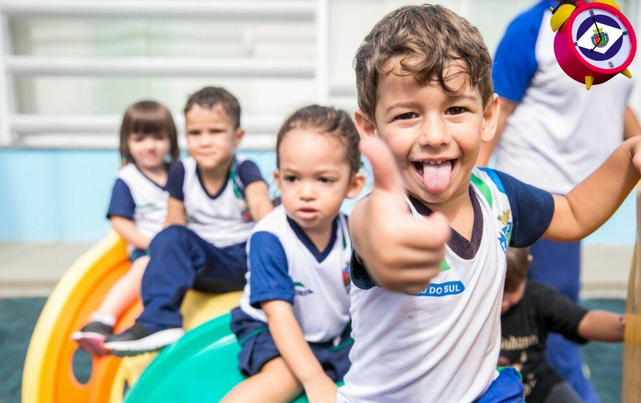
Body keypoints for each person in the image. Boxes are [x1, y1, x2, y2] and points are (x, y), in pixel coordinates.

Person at [337, 4, 641, 402]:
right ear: (369, 130)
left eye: (456, 110)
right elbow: (371, 230)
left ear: (488, 116)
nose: (434, 135)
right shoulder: (382, 210)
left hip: (481, 393)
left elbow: (574, 213)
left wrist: (629, 156)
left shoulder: (497, 196)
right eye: (408, 115)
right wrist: (386, 252)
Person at [477, 1, 641, 400]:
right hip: (539, 190)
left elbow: (614, 103)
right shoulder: (530, 30)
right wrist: (469, 186)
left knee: (553, 306)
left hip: (586, 191)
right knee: (552, 316)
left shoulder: (611, 25)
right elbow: (495, 111)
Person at [105, 86, 273, 356]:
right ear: (186, 136)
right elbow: (174, 223)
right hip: (206, 264)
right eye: (195, 133)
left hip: (245, 262)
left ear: (237, 136)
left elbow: (260, 205)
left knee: (274, 223)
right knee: (169, 237)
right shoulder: (182, 171)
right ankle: (159, 322)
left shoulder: (244, 169)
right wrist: (158, 256)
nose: (204, 141)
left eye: (215, 132)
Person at [221, 105, 365, 403]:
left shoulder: (355, 233)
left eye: (324, 180)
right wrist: (314, 379)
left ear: (353, 184)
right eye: (293, 178)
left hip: (334, 334)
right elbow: (278, 313)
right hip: (271, 328)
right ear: (278, 180)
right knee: (283, 379)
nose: (306, 193)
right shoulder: (270, 237)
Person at [72, 100, 179, 356]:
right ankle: (103, 319)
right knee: (143, 267)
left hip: (178, 248)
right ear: (126, 143)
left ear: (171, 141)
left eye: (158, 137)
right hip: (147, 249)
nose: (150, 146)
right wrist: (149, 244)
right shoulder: (128, 179)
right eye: (140, 138)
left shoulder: (179, 172)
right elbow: (120, 221)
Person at [500, 247, 624, 403]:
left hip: (538, 386)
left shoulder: (537, 298)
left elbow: (585, 320)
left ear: (528, 264)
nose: (503, 303)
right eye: (498, 291)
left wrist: (623, 325)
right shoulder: (474, 304)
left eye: (513, 290)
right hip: (494, 393)